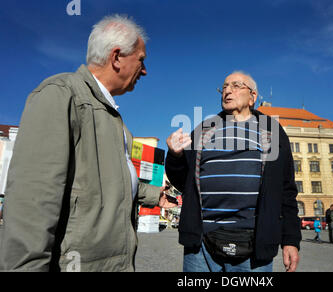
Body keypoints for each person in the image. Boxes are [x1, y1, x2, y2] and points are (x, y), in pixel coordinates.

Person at [0, 15, 177, 272]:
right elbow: (33, 199)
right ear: (116, 57)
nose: (145, 70)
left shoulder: (112, 118)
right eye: (141, 60)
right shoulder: (61, 95)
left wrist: (154, 195)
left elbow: (106, 184)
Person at [165, 71, 301, 272]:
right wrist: (175, 156)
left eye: (236, 85)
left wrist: (290, 239)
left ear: (253, 96)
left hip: (254, 242)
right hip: (201, 243)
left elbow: (286, 190)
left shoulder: (272, 131)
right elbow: (183, 181)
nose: (227, 91)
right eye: (224, 87)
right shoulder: (204, 129)